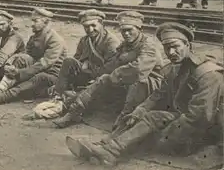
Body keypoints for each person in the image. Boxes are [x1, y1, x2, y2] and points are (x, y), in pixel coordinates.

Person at [65, 22, 224, 166]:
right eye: (166, 48)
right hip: (183, 123)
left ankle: (111, 150)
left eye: (175, 46)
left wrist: (164, 137)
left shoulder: (208, 74)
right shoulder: (175, 68)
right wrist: (139, 110)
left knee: (153, 119)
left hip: (200, 133)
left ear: (188, 45)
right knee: (138, 116)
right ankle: (106, 146)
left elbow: (200, 117)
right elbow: (159, 95)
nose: (170, 52)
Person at [53, 11, 165, 129]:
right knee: (103, 79)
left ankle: (124, 119)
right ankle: (74, 111)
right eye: (123, 31)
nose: (126, 33)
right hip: (127, 79)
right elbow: (114, 64)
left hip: (150, 83)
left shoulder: (148, 46)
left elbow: (138, 70)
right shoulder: (125, 45)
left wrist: (114, 75)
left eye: (129, 30)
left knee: (136, 82)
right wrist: (101, 79)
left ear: (139, 28)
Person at [0, 8, 68, 105]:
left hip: (52, 74)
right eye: (32, 21)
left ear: (45, 22)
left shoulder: (55, 40)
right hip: (36, 69)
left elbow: (44, 64)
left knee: (38, 78)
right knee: (21, 59)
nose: (32, 24)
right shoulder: (34, 37)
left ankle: (3, 96)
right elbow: (26, 55)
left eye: (35, 21)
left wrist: (19, 73)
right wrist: (12, 63)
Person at [49, 9, 120, 102]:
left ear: (101, 24)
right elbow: (76, 60)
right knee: (68, 61)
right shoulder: (85, 40)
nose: (90, 29)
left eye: (93, 25)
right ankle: (59, 93)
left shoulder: (111, 42)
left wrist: (89, 68)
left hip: (103, 78)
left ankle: (66, 93)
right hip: (87, 74)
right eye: (86, 26)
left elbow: (111, 68)